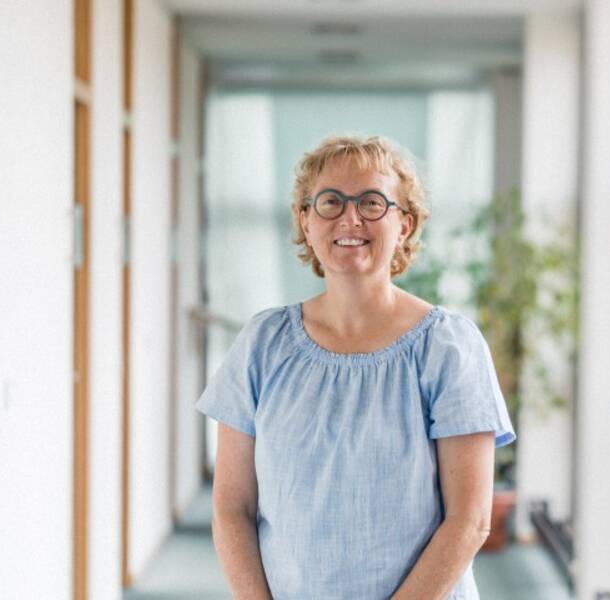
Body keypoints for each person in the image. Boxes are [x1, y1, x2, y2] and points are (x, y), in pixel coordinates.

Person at [196, 134, 516, 600]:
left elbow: (470, 521)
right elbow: (232, 508)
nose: (350, 218)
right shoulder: (262, 345)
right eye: (329, 202)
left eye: (371, 202)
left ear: (404, 224)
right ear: (305, 221)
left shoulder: (448, 347)